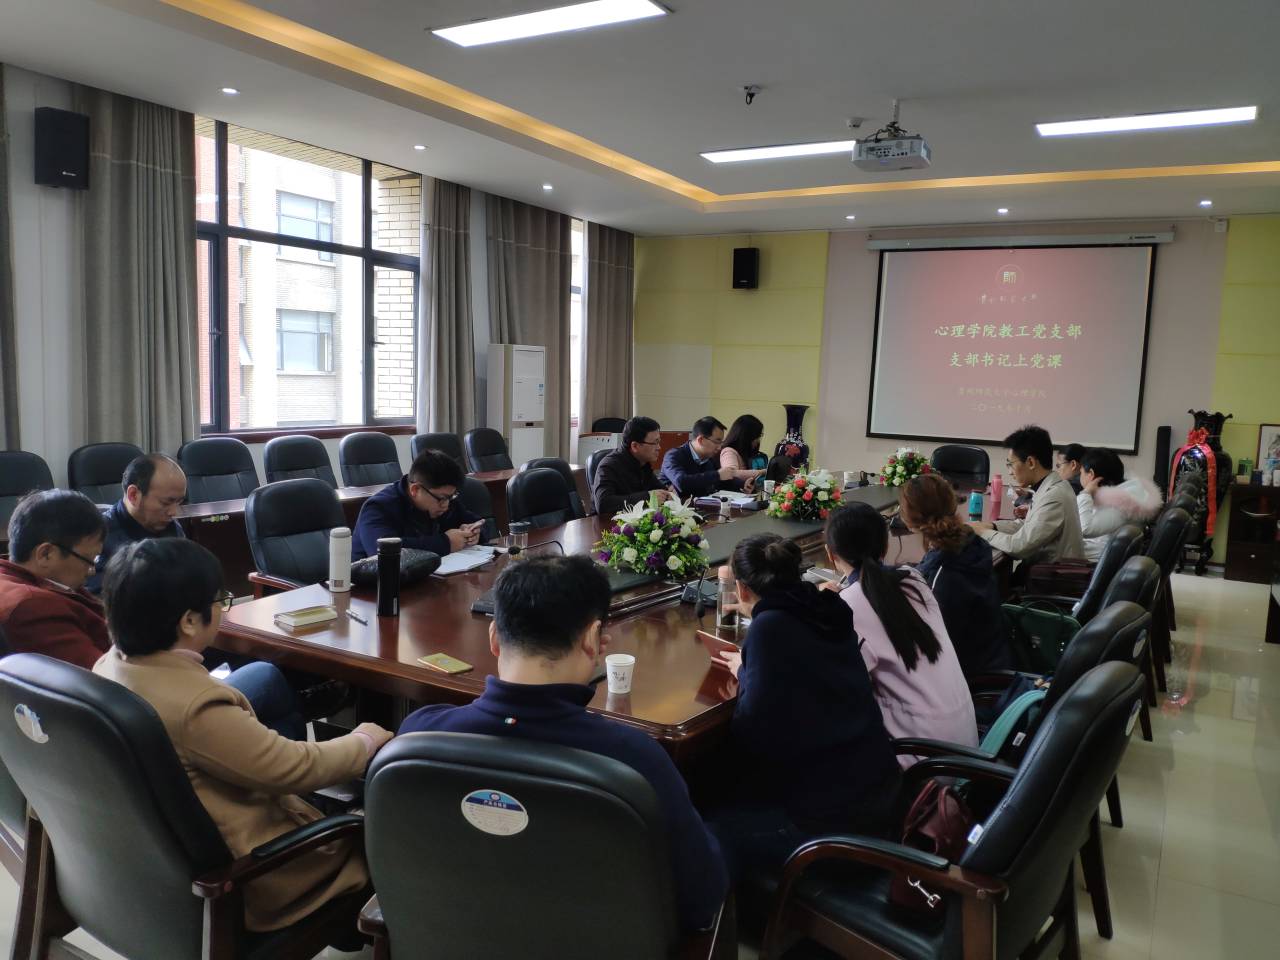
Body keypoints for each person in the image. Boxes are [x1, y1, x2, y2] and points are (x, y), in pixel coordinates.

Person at [399, 556, 727, 933]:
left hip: (454, 936)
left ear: (494, 638)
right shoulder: (634, 758)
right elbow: (701, 898)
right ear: (592, 639)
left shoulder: (419, 734)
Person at [94, 538, 393, 936]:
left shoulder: (108, 666)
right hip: (259, 874)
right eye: (220, 600)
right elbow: (296, 767)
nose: (223, 608)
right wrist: (364, 741)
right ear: (188, 621)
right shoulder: (197, 707)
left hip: (161, 869)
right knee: (396, 833)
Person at [709, 534, 901, 878]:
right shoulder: (830, 608)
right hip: (880, 800)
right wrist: (750, 667)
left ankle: (758, 910)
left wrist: (747, 671)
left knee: (707, 826)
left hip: (829, 828)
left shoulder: (769, 628)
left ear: (741, 590)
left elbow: (749, 729)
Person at [823, 503, 978, 761]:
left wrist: (833, 603)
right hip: (965, 744)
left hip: (923, 759)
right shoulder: (913, 579)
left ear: (831, 554)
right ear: (885, 547)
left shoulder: (847, 607)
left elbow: (838, 690)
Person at [899, 474, 1009, 677]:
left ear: (910, 519)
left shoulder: (942, 575)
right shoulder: (973, 543)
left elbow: (928, 647)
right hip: (993, 660)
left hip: (968, 679)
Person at [0, 489, 111, 668]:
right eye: (89, 560)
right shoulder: (33, 607)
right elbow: (101, 674)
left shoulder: (19, 578)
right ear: (46, 554)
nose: (91, 571)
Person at [968, 425, 1085, 565]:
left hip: (1050, 576)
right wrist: (992, 526)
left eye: (1010, 464)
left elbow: (1019, 547)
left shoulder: (1054, 496)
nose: (1010, 472)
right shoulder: (1052, 486)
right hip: (1045, 571)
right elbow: (1026, 526)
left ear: (1030, 462)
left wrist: (982, 532)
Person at [352, 449, 486, 560]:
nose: (446, 505)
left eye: (451, 497)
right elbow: (384, 551)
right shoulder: (377, 507)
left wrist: (473, 534)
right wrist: (446, 543)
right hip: (372, 583)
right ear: (415, 490)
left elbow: (478, 523)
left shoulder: (444, 499)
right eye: (442, 499)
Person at [85, 453, 187, 594]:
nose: (174, 512)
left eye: (179, 502)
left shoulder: (172, 528)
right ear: (133, 495)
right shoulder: (98, 536)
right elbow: (98, 598)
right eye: (166, 503)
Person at [1076, 447, 1162, 561]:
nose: (1079, 476)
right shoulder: (1126, 494)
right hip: (1101, 553)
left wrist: (1085, 493)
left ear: (1091, 474)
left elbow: (1084, 529)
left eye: (1081, 472)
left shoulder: (1119, 504)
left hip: (1097, 560)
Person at [590, 415, 673, 517]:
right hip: (606, 524)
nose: (659, 447)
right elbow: (603, 504)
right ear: (635, 446)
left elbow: (658, 489)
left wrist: (668, 493)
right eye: (655, 443)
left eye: (659, 442)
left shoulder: (642, 463)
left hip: (635, 521)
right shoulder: (608, 466)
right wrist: (648, 497)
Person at [660, 416, 761, 499]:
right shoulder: (673, 456)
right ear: (701, 440)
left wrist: (743, 484)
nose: (720, 447)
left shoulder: (709, 459)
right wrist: (717, 475)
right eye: (717, 441)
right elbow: (681, 482)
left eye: (721, 442)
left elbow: (720, 481)